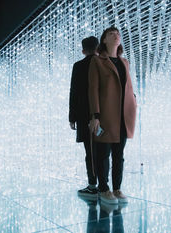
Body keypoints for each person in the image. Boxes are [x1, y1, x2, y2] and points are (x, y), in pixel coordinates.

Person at [88, 26, 137, 204]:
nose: (116, 35)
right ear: (104, 40)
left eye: (117, 33)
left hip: (124, 115)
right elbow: (93, 89)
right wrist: (96, 115)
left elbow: (128, 86)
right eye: (111, 33)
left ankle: (117, 188)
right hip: (107, 115)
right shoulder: (98, 61)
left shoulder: (125, 62)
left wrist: (134, 100)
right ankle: (104, 188)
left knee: (119, 154)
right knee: (103, 154)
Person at [69, 36, 99, 198]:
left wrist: (72, 117)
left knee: (90, 151)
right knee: (103, 151)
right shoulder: (104, 63)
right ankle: (104, 185)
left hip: (84, 115)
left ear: (83, 50)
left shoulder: (79, 66)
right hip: (103, 115)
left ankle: (92, 185)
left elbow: (74, 91)